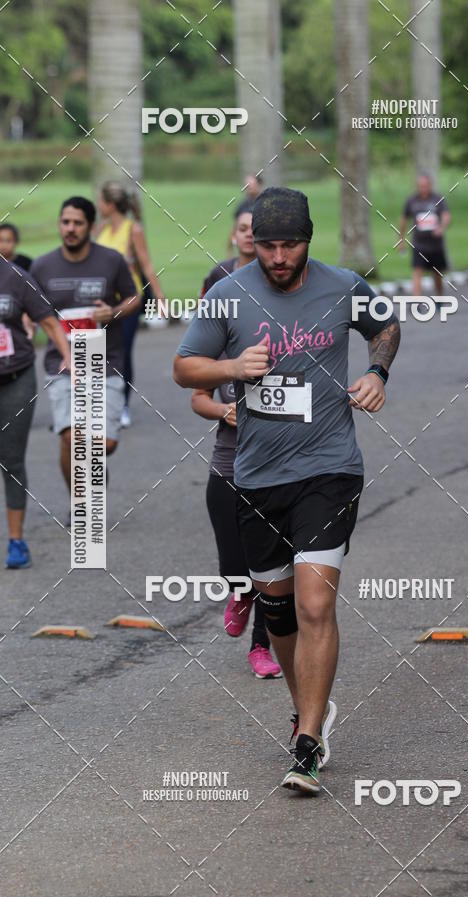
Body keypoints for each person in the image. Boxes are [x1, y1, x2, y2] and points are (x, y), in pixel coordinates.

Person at [174, 187, 400, 795]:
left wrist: (377, 371)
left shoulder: (344, 286)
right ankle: (311, 713)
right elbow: (184, 367)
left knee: (315, 604)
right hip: (256, 476)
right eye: (268, 245)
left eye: (289, 244)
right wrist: (231, 369)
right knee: (277, 610)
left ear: (308, 238)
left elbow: (385, 326)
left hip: (329, 470)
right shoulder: (226, 295)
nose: (278, 256)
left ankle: (305, 744)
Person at [192, 201, 281, 679]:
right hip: (229, 460)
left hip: (280, 463)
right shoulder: (217, 345)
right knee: (236, 565)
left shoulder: (288, 338)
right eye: (244, 230)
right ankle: (239, 590)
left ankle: (261, 646)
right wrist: (226, 408)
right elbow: (196, 395)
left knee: (275, 562)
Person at [30, 197, 139, 513]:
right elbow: (33, 311)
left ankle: (93, 480)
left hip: (106, 362)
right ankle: (81, 502)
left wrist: (114, 311)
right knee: (70, 437)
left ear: (91, 227)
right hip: (62, 363)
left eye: (78, 223)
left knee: (104, 444)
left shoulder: (112, 260)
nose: (70, 229)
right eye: (65, 222)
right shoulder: (43, 266)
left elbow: (134, 298)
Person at [0, 257, 71, 567]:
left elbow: (48, 321)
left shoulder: (16, 277)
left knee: (11, 459)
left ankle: (16, 541)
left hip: (15, 378)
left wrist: (69, 357)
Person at [96, 181, 164, 428]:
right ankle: (101, 404)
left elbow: (146, 265)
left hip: (128, 300)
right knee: (98, 353)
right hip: (102, 302)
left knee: (121, 352)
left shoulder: (132, 230)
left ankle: (122, 405)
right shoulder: (100, 229)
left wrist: (160, 298)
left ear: (110, 204)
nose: (99, 205)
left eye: (101, 201)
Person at [399, 172, 451, 296]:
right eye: (421, 186)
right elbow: (403, 220)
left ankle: (439, 297)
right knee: (417, 272)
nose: (423, 188)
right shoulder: (411, 201)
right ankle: (417, 303)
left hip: (435, 245)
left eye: (425, 185)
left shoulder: (437, 199)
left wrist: (441, 227)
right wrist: (401, 239)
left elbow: (446, 215)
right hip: (419, 244)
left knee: (437, 274)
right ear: (417, 186)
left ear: (430, 185)